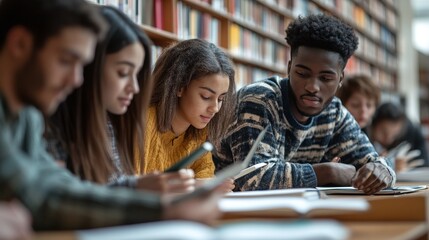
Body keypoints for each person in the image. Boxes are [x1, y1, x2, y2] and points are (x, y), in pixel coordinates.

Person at [0, 0, 222, 230]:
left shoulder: (26, 116)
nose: (77, 80)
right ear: (20, 44)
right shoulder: (37, 115)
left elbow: (53, 185)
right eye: (66, 61)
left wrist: (139, 194)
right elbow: (39, 195)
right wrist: (163, 209)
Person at [213, 14, 396, 195]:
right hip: (224, 212)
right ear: (289, 68)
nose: (312, 87)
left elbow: (372, 162)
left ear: (340, 79)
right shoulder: (258, 101)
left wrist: (381, 171)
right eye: (302, 74)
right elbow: (251, 177)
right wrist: (327, 172)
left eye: (325, 78)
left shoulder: (334, 112)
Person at [46, 6, 194, 193]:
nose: (135, 88)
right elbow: (57, 198)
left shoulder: (110, 121)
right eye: (123, 73)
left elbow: (108, 185)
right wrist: (136, 187)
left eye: (137, 75)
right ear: (90, 66)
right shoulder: (47, 121)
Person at [135, 39, 236, 186]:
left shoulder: (199, 132)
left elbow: (205, 176)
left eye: (221, 99)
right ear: (179, 87)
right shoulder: (144, 122)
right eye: (206, 97)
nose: (214, 108)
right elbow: (132, 188)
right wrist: (197, 186)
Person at [371, 102, 429, 171]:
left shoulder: (412, 132)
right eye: (384, 133)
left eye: (394, 135)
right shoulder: (363, 135)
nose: (389, 139)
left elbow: (424, 164)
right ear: (372, 126)